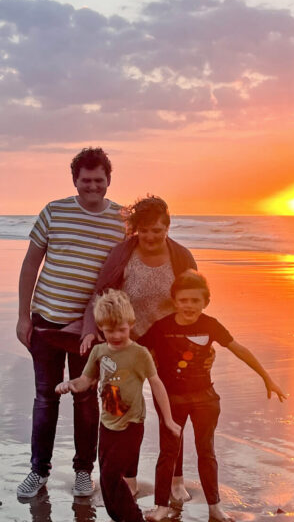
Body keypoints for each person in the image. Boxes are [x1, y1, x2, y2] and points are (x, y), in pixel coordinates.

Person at [16, 147, 127, 499]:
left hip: (90, 331)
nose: (92, 187)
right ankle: (38, 471)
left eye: (99, 181)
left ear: (109, 180)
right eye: (86, 181)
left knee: (85, 399)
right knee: (46, 399)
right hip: (46, 322)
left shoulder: (123, 220)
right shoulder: (54, 211)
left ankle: (83, 471)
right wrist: (23, 316)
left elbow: (127, 275)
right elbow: (31, 264)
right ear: (75, 181)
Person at [140, 270, 287, 522]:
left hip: (204, 399)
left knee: (206, 452)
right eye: (183, 300)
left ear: (205, 302)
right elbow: (137, 353)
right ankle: (161, 506)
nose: (189, 306)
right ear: (174, 301)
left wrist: (266, 377)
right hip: (171, 400)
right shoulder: (161, 327)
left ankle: (215, 508)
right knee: (168, 452)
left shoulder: (210, 325)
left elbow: (238, 348)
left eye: (195, 300)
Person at [84, 195, 199, 498]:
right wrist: (95, 332)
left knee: (170, 412)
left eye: (157, 230)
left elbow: (193, 300)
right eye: (144, 230)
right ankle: (128, 478)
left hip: (169, 344)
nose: (150, 236)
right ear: (135, 229)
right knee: (124, 413)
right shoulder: (123, 254)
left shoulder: (182, 256)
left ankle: (175, 479)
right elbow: (102, 293)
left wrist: (200, 338)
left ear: (167, 227)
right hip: (128, 344)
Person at [56, 290, 182, 522]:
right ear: (100, 328)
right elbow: (86, 381)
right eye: (109, 330)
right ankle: (120, 517)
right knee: (106, 480)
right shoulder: (98, 351)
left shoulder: (139, 354)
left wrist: (169, 420)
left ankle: (134, 518)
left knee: (113, 474)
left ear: (131, 324)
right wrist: (70, 384)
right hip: (107, 424)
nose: (115, 335)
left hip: (131, 425)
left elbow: (157, 384)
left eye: (121, 329)